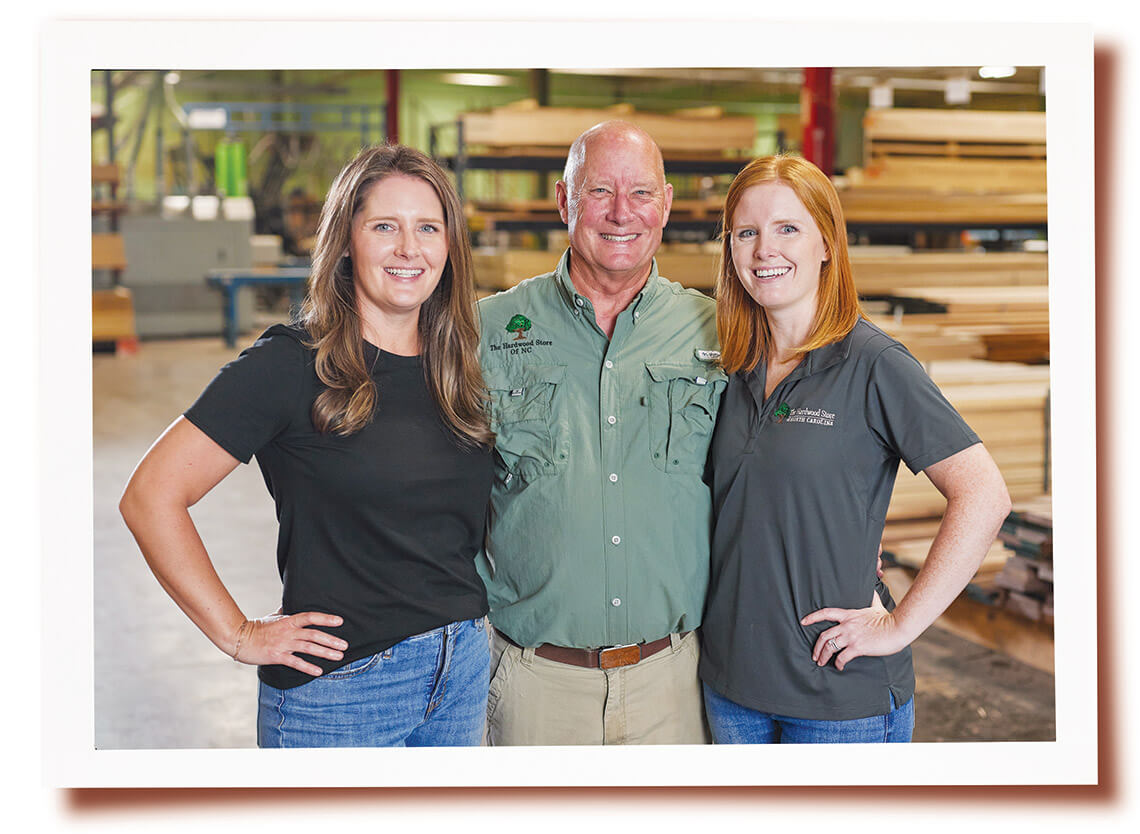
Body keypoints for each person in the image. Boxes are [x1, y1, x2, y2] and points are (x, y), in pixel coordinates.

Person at [119, 145, 495, 748]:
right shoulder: (291, 364)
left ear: (450, 246)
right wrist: (238, 634)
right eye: (384, 227)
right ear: (346, 240)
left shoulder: (457, 364)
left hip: (462, 674)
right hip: (345, 693)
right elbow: (150, 497)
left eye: (428, 227)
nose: (409, 248)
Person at [698, 154, 1012, 743]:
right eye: (747, 232)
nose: (765, 249)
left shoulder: (875, 365)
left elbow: (984, 494)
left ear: (826, 244)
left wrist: (897, 625)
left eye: (788, 228)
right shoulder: (732, 367)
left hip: (836, 697)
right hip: (730, 686)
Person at [475, 120, 724, 745]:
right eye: (598, 192)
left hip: (674, 681)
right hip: (536, 685)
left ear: (665, 205)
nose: (621, 213)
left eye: (641, 193)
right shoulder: (487, 329)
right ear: (564, 201)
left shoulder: (718, 333)